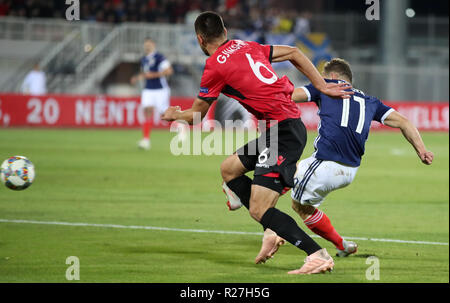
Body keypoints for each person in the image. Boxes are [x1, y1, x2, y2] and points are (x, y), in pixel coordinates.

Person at [162, 11, 352, 274]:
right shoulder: (246, 45)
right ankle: (272, 230)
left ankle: (316, 254)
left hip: (283, 135)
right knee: (229, 169)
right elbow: (295, 52)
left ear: (199, 39)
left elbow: (196, 116)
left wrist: (174, 115)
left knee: (258, 208)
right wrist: (321, 85)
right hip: (280, 130)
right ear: (225, 32)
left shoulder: (215, 65)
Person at [238, 58, 434, 262]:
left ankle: (275, 232)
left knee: (296, 203)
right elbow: (404, 122)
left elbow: (289, 97)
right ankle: (342, 245)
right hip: (349, 171)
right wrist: (422, 150)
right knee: (291, 171)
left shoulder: (325, 86)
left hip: (326, 164)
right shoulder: (371, 101)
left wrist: (256, 92)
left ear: (331, 77)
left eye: (322, 77)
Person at [131, 38, 173, 150]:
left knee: (164, 115)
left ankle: (181, 128)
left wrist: (153, 75)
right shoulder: (144, 59)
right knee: (147, 111)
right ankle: (146, 140)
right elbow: (145, 73)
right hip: (148, 89)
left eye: (149, 45)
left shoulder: (160, 57)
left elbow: (169, 71)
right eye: (145, 45)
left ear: (153, 45)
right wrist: (137, 77)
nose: (147, 47)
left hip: (160, 89)